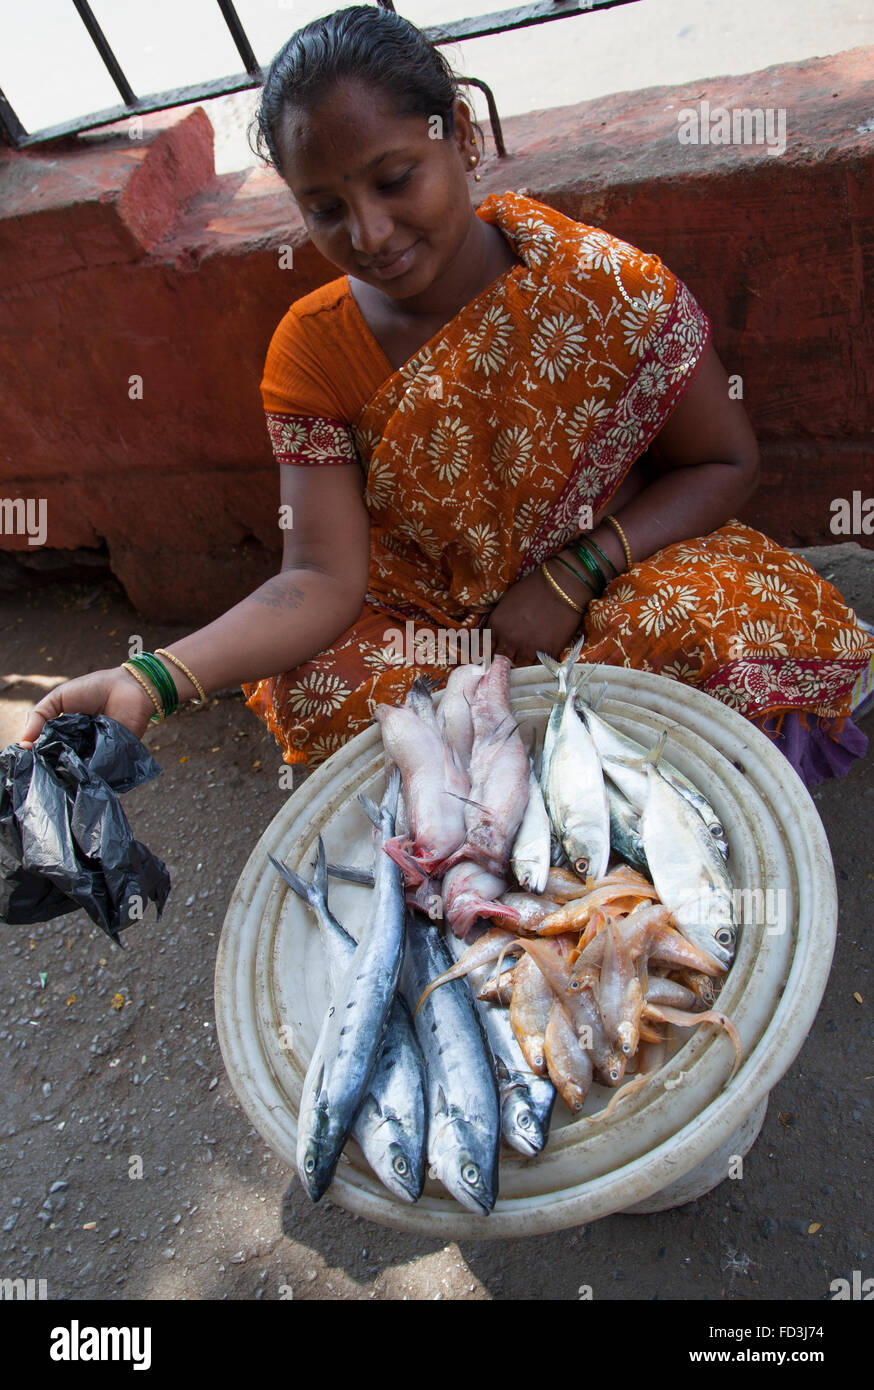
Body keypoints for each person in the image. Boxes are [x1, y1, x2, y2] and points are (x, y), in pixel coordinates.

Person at [19, 6, 874, 789]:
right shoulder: (313, 350)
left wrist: (577, 571)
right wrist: (149, 680)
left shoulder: (597, 286)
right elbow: (319, 576)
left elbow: (726, 460)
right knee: (324, 690)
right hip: (437, 621)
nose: (370, 233)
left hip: (620, 576)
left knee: (721, 631)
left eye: (394, 179)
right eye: (325, 208)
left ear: (458, 136)